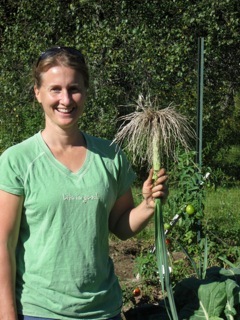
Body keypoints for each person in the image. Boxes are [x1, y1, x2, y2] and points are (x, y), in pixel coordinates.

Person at [0, 46, 168, 320]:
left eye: (74, 88)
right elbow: (3, 246)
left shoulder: (110, 156)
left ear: (86, 91)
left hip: (103, 310)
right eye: (55, 89)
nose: (65, 99)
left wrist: (148, 205)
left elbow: (121, 227)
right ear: (37, 93)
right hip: (40, 311)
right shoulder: (17, 160)